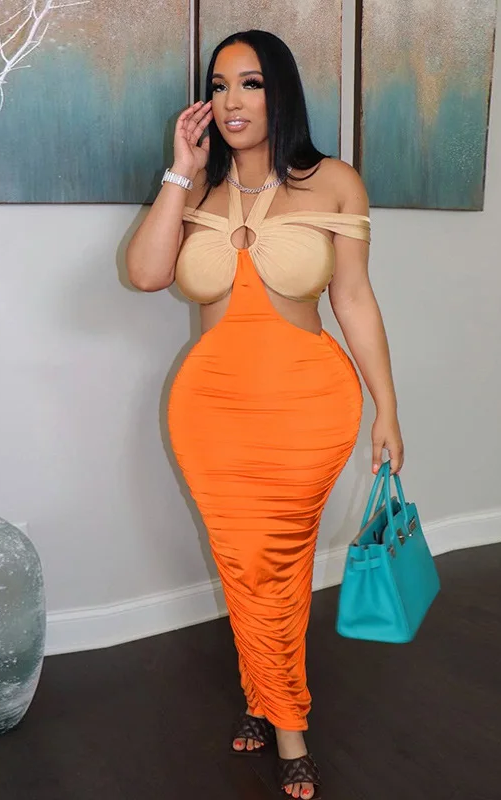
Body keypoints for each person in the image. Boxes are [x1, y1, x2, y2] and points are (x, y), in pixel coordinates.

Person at [126, 29, 404, 800]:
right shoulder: (197, 190)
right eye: (219, 86)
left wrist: (387, 407)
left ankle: (287, 725)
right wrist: (179, 172)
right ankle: (264, 695)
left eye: (249, 83)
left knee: (277, 561)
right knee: (241, 563)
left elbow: (355, 299)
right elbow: (145, 274)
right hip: (210, 409)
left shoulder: (335, 183)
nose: (232, 101)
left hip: (309, 405)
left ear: (280, 92)